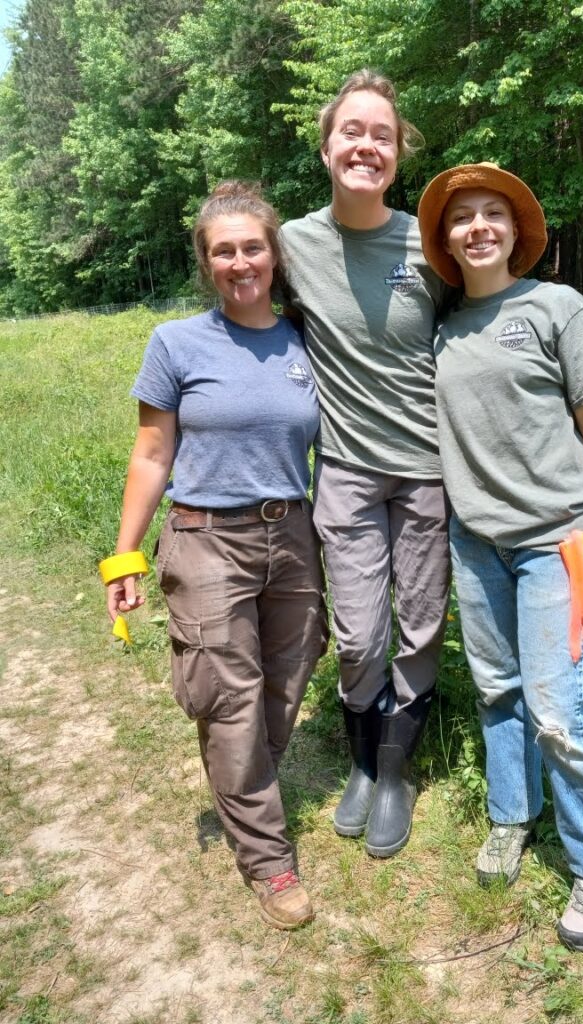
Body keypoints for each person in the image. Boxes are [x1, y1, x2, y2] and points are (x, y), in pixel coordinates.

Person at [417, 163, 583, 952]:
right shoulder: (440, 329)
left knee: (561, 708)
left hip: (557, 543)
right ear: (444, 239)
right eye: (461, 218)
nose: (477, 227)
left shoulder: (554, 307)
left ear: (516, 232)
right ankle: (513, 818)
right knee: (499, 691)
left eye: (492, 215)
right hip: (476, 543)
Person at [103, 181, 327, 931]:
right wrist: (124, 557)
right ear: (207, 262)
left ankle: (245, 786)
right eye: (223, 250)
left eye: (252, 247)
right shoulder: (176, 343)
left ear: (274, 253)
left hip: (293, 533)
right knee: (230, 700)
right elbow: (152, 451)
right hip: (205, 538)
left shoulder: (305, 339)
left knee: (286, 682)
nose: (240, 262)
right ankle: (268, 860)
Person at [277, 70, 452, 858]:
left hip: (427, 468)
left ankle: (394, 772)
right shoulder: (293, 244)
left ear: (398, 152)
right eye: (353, 131)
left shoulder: (430, 240)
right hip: (344, 470)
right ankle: (359, 759)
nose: (367, 146)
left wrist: (580, 354)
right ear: (326, 148)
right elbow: (248, 311)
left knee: (418, 624)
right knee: (358, 633)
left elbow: (489, 306)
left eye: (382, 134)